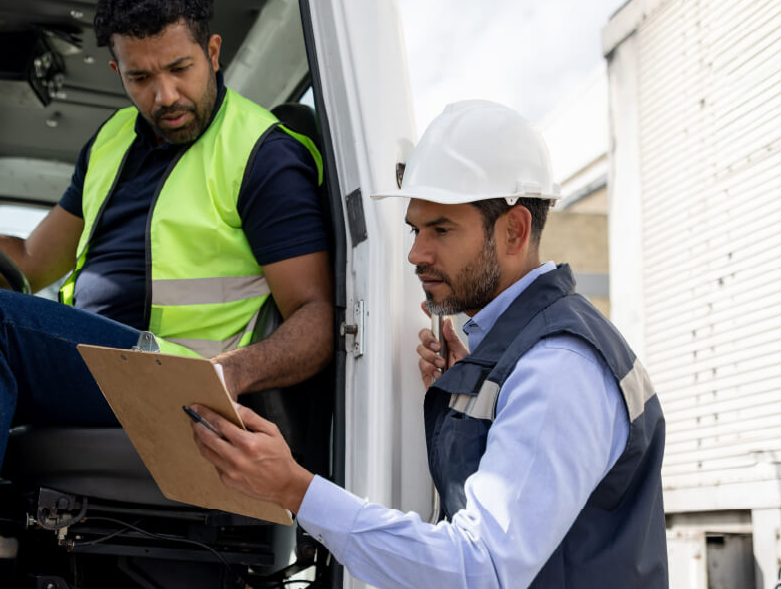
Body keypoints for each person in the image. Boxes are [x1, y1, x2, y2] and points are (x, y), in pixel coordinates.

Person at [0, 0, 334, 588]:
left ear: (213, 52)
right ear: (118, 71)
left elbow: (315, 318)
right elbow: (31, 264)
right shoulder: (112, 139)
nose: (164, 95)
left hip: (174, 375)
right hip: (88, 361)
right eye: (142, 77)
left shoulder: (261, 152)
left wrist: (234, 371)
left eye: (180, 69)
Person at [189, 100, 668, 588]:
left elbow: (481, 571)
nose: (416, 253)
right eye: (416, 229)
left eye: (441, 229)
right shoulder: (507, 356)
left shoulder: (557, 367)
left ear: (515, 231)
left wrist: (295, 489)